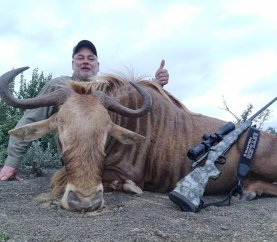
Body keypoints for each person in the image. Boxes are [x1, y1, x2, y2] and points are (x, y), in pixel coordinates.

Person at [0, 40, 169, 181]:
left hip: (111, 163)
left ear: (97, 65)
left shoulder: (108, 90)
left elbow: (134, 100)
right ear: (73, 64)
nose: (85, 61)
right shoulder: (58, 86)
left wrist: (155, 83)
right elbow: (31, 121)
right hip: (74, 162)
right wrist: (11, 163)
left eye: (90, 58)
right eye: (80, 58)